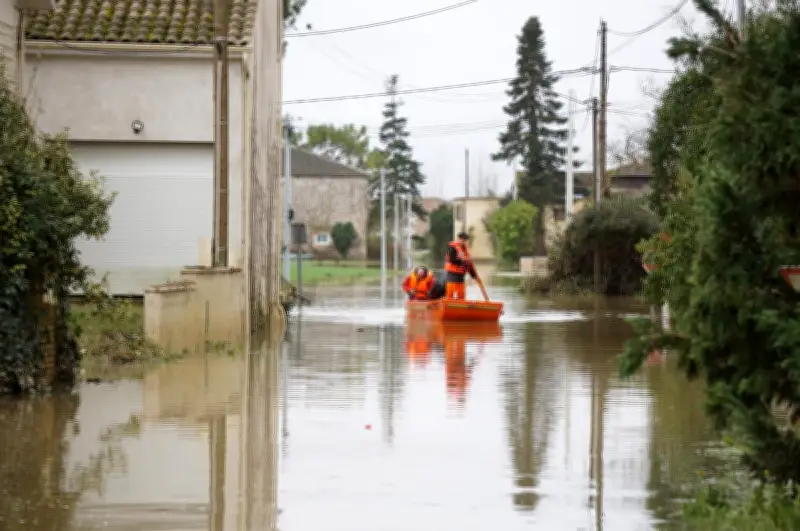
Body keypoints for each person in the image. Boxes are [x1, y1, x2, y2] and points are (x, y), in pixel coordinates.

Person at [444, 232, 477, 300]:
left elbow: (469, 264)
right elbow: (451, 259)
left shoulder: (465, 251)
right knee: (450, 296)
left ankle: (461, 306)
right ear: (458, 239)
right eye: (462, 240)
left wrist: (473, 275)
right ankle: (448, 305)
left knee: (461, 296)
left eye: (465, 240)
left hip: (461, 276)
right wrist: (462, 260)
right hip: (452, 276)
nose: (463, 242)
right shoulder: (452, 248)